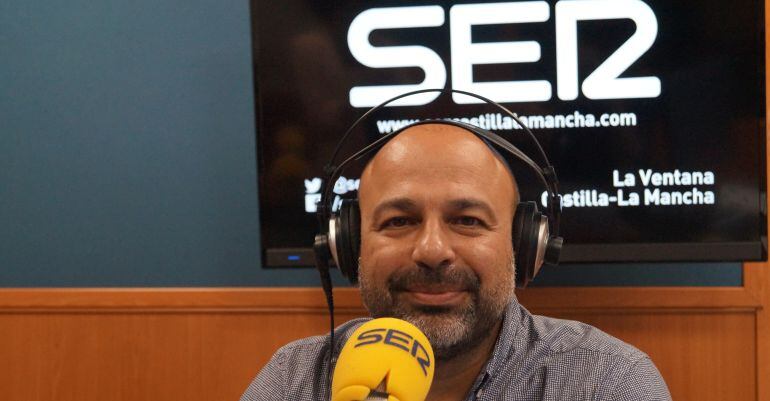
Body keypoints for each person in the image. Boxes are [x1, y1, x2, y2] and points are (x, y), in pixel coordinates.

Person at [241, 123, 672, 401]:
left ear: (522, 245)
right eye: (399, 220)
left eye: (467, 220)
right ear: (349, 245)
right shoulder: (293, 381)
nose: (431, 250)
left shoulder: (606, 381)